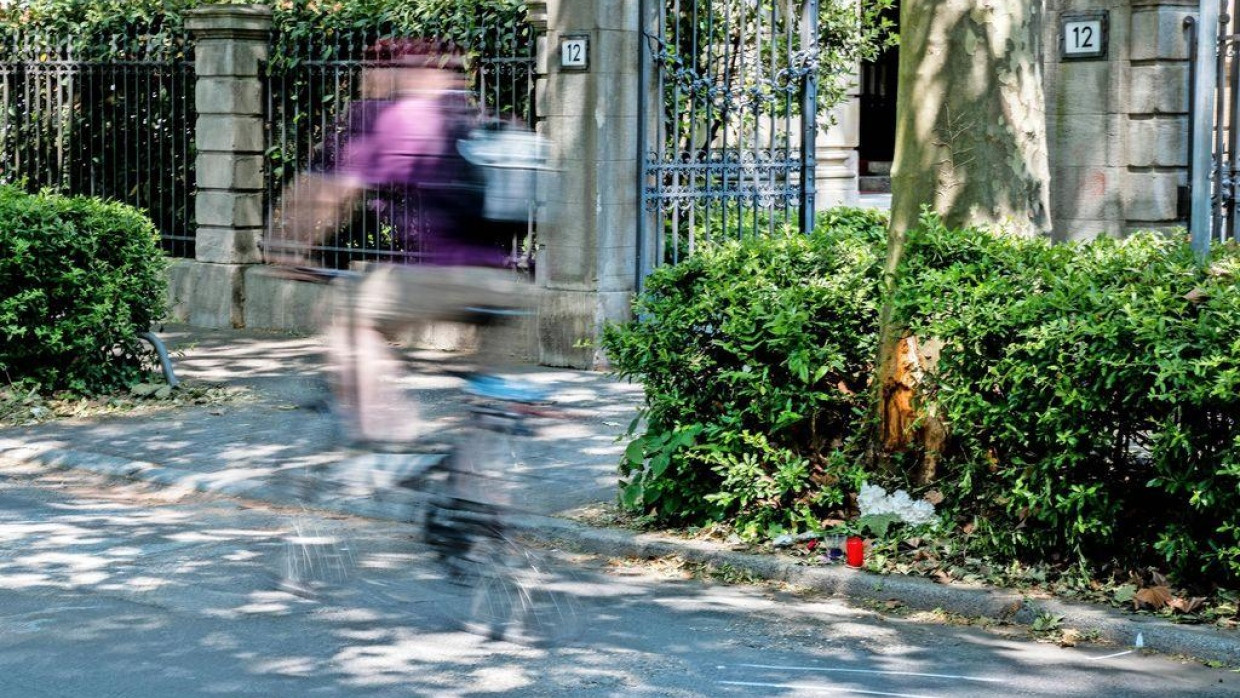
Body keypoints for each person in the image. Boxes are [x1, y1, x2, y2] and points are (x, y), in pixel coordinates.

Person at [271, 38, 536, 449]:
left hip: (442, 276)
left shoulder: (407, 117)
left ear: (410, 72)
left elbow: (335, 194)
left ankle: (390, 439)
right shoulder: (487, 120)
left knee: (347, 319)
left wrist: (289, 244)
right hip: (506, 286)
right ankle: (477, 500)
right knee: (486, 401)